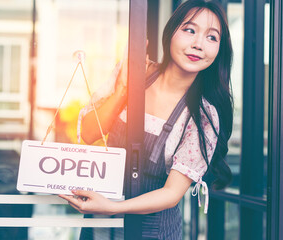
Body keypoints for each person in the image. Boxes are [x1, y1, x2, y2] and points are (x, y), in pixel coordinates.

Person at [59, 0, 233, 239]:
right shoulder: (134, 70)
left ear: (219, 50)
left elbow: (172, 193)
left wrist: (113, 207)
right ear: (171, 32)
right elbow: (89, 133)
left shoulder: (204, 115)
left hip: (155, 232)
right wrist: (124, 88)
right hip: (100, 227)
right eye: (189, 30)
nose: (198, 45)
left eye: (212, 38)